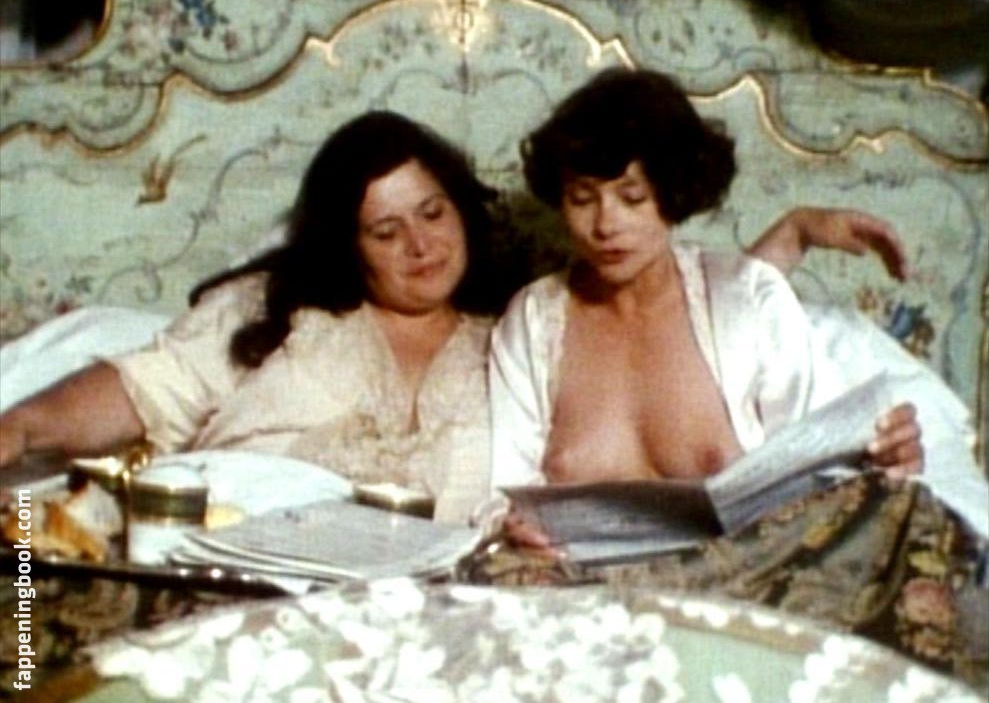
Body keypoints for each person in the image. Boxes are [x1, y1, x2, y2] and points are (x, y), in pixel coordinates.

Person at [0, 110, 922, 527]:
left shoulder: (514, 335)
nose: (419, 246)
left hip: (423, 605)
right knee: (32, 620)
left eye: (433, 213)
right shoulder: (272, 315)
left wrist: (786, 240)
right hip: (231, 561)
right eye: (385, 230)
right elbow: (136, 388)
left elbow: (673, 315)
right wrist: (19, 429)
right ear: (348, 243)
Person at [487, 67, 972, 548]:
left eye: (632, 198)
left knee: (921, 535)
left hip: (749, 567)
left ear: (674, 193)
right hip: (576, 577)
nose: (606, 224)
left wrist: (882, 457)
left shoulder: (747, 298)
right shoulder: (532, 321)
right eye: (582, 199)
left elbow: (817, 472)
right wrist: (516, 527)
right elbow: (498, 488)